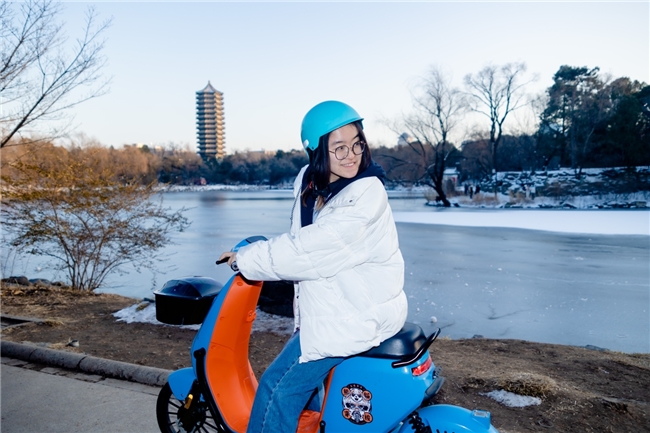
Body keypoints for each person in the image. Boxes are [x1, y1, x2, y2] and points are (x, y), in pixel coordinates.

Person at [218, 100, 407, 433]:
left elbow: (309, 251)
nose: (351, 155)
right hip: (339, 306)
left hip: (351, 318)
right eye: (339, 148)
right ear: (317, 153)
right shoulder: (314, 185)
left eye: (357, 144)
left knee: (276, 389)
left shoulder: (363, 195)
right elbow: (303, 240)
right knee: (310, 392)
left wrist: (246, 259)